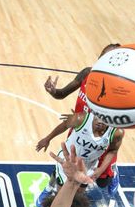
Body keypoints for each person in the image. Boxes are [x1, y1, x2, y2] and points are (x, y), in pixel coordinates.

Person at [42, 43, 122, 192]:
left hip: (103, 137)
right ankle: (49, 189)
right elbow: (61, 94)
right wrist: (53, 91)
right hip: (80, 130)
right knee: (65, 164)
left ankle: (113, 172)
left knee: (103, 182)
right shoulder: (87, 74)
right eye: (103, 58)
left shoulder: (120, 89)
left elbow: (122, 121)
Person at [35, 110, 124, 205]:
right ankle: (48, 188)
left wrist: (101, 169)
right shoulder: (80, 119)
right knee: (61, 192)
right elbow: (64, 125)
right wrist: (47, 139)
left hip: (88, 165)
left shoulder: (116, 133)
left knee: (79, 192)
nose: (100, 121)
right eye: (98, 116)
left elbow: (113, 151)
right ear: (94, 113)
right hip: (68, 159)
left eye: (105, 119)